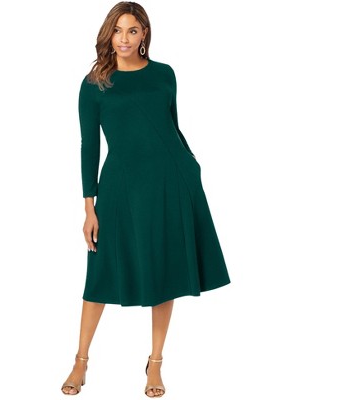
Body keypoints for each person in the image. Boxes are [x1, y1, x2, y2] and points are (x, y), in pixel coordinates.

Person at [61, 1, 231, 397]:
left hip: (171, 182)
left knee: (164, 270)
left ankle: (155, 363)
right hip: (120, 187)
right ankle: (80, 360)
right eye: (117, 30)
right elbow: (89, 146)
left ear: (144, 34)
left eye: (132, 30)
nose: (124, 38)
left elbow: (171, 126)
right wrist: (89, 206)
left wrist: (191, 167)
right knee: (100, 274)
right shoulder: (95, 83)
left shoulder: (164, 74)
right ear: (109, 34)